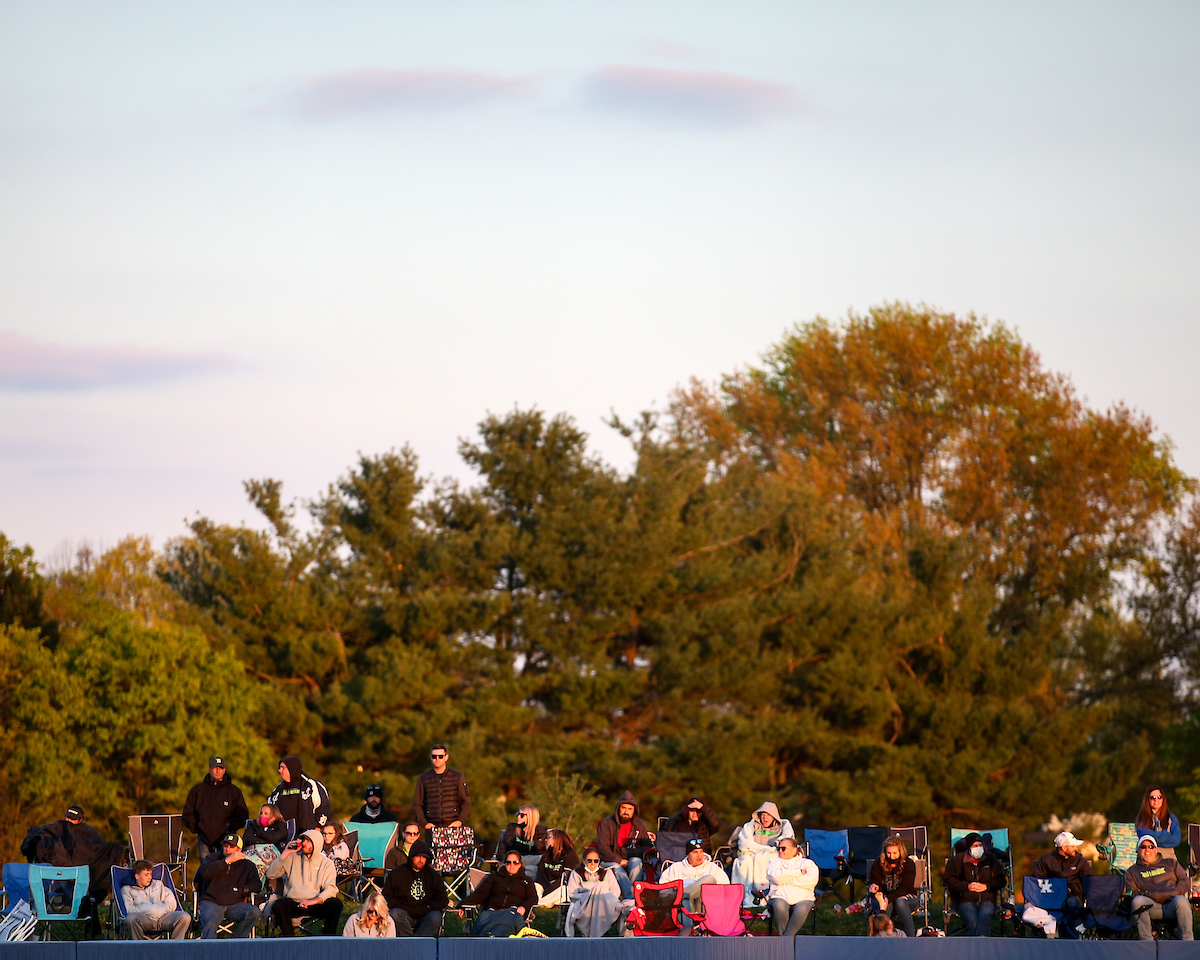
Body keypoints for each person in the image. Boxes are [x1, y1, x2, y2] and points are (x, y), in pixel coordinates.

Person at [20, 804, 125, 904]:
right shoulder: (60, 826)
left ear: (80, 820)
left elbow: (97, 848)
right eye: (67, 817)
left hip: (81, 871)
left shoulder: (88, 832)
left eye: (72, 819)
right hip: (62, 870)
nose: (68, 821)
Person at [265, 827, 343, 936]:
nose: (304, 843)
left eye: (307, 840)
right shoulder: (291, 858)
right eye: (303, 840)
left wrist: (314, 901)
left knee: (336, 904)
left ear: (316, 844)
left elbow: (331, 888)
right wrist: (285, 853)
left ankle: (327, 939)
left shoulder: (326, 863)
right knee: (279, 905)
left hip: (315, 903)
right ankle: (289, 939)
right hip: (294, 903)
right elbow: (270, 875)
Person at [1024, 830, 1093, 938]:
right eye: (1073, 846)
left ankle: (1073, 938)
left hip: (1072, 895)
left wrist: (1073, 889)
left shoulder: (1080, 861)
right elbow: (1036, 881)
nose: (1076, 848)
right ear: (1064, 848)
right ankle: (1049, 935)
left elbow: (1090, 880)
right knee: (1035, 908)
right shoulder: (1046, 860)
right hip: (1050, 897)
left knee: (1072, 903)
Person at [1126, 835, 1193, 941]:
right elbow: (1132, 893)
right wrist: (1151, 895)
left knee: (1182, 900)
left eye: (1151, 847)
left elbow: (1184, 881)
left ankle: (1188, 943)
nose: (1147, 850)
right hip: (1151, 907)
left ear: (1156, 849)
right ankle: (1147, 944)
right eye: (1143, 847)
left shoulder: (1171, 863)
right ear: (1138, 851)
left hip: (1172, 904)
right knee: (1137, 901)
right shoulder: (1132, 872)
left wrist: (1176, 892)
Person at [196, 833, 263, 939]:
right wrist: (226, 861)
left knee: (254, 912)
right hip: (212, 902)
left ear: (239, 850)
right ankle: (209, 951)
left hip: (235, 904)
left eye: (231, 846)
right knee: (210, 921)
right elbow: (204, 873)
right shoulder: (212, 859)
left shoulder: (247, 865)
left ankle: (236, 943)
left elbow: (257, 885)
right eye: (225, 845)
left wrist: (241, 890)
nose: (227, 849)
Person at [182, 756, 250, 860]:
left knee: (225, 868)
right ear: (209, 770)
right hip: (204, 839)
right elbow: (188, 812)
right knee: (206, 870)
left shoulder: (233, 791)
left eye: (220, 768)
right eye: (215, 768)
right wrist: (197, 827)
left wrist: (230, 829)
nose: (217, 770)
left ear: (224, 770)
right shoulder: (198, 790)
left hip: (226, 841)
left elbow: (242, 814)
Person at [730, 801, 795, 907]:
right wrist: (764, 849)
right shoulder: (752, 825)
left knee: (767, 858)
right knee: (746, 861)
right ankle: (746, 896)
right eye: (762, 815)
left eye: (767, 815)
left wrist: (767, 850)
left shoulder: (784, 825)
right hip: (753, 853)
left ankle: (765, 895)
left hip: (772, 853)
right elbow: (744, 842)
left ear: (774, 816)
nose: (764, 818)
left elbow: (786, 841)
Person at [457, 852, 537, 937]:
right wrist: (463, 904)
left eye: (515, 862)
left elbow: (533, 898)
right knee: (479, 925)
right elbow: (479, 894)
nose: (512, 865)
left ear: (520, 864)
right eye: (508, 862)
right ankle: (481, 941)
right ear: (504, 864)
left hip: (512, 911)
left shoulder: (526, 880)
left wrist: (523, 907)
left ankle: (491, 937)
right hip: (491, 910)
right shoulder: (494, 878)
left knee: (503, 924)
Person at [943, 831, 1005, 937]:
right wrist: (967, 886)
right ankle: (982, 943)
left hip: (987, 898)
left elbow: (1001, 880)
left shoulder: (990, 859)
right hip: (964, 898)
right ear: (969, 847)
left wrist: (986, 886)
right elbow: (948, 880)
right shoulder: (958, 860)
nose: (979, 848)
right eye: (975, 845)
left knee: (984, 918)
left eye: (980, 845)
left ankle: (977, 945)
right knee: (973, 921)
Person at [596, 790, 655, 899]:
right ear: (618, 808)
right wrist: (619, 860)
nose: (626, 811)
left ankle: (631, 895)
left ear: (634, 811)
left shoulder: (640, 825)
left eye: (630, 809)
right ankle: (632, 898)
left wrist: (629, 854)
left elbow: (647, 846)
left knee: (636, 862)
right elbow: (603, 848)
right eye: (623, 808)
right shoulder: (607, 823)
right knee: (617, 867)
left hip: (631, 860)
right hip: (610, 861)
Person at [382, 839, 447, 937]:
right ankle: (411, 942)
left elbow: (442, 899)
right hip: (403, 913)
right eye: (418, 856)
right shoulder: (397, 873)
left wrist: (426, 907)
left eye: (424, 857)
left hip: (426, 914)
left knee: (436, 917)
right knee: (394, 914)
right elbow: (386, 896)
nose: (421, 860)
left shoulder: (433, 875)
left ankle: (417, 942)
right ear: (411, 856)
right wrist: (405, 907)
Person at [120, 859, 191, 940]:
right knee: (131, 918)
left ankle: (175, 946)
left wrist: (160, 910)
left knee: (185, 917)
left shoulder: (158, 885)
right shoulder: (127, 889)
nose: (149, 877)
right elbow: (129, 910)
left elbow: (171, 902)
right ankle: (139, 947)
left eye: (150, 874)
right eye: (146, 875)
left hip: (163, 917)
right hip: (144, 919)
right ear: (137, 876)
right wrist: (151, 909)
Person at [660, 837, 730, 920]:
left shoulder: (713, 868)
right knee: (685, 901)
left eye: (701, 852)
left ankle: (681, 895)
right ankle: (691, 930)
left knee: (709, 878)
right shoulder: (676, 868)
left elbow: (725, 889)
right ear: (687, 854)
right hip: (683, 907)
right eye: (695, 852)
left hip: (706, 906)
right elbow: (663, 889)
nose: (699, 855)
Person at [564, 847, 625, 938]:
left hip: (606, 903)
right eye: (589, 861)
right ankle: (624, 909)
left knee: (599, 891)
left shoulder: (607, 873)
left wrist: (603, 897)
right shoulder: (576, 874)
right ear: (584, 861)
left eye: (595, 861)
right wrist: (590, 896)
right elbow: (571, 893)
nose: (593, 864)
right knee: (597, 889)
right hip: (585, 904)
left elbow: (616, 891)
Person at [765, 836, 818, 937]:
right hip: (779, 896)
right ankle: (787, 940)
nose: (780, 851)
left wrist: (784, 879)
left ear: (794, 850)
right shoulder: (773, 862)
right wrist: (798, 872)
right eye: (778, 848)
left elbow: (811, 881)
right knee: (779, 905)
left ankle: (786, 939)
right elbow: (775, 878)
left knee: (802, 908)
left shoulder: (807, 863)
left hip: (804, 898)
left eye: (783, 848)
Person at [868, 835, 919, 938]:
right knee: (887, 903)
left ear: (901, 851)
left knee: (899, 902)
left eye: (894, 853)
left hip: (906, 896)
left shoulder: (908, 864)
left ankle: (911, 937)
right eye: (888, 853)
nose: (891, 857)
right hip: (885, 897)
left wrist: (888, 898)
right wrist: (875, 887)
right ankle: (883, 937)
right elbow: (875, 881)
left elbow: (905, 888)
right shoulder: (878, 864)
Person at [267, 756, 332, 833]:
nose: (279, 770)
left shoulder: (310, 785)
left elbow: (324, 807)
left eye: (283, 767)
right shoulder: (278, 790)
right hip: (283, 836)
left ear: (291, 768)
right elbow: (270, 811)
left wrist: (318, 827)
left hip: (307, 835)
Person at [413, 744, 471, 829]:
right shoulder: (423, 779)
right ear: (430, 757)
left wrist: (460, 820)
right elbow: (416, 804)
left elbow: (466, 802)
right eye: (434, 756)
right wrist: (424, 823)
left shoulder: (457, 777)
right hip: (432, 828)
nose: (437, 759)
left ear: (446, 757)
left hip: (453, 827)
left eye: (440, 756)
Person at [497, 805, 548, 878]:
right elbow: (502, 851)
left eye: (521, 815)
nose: (518, 817)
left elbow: (543, 855)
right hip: (512, 862)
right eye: (518, 814)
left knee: (533, 867)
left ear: (531, 817)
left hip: (532, 863)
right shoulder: (512, 829)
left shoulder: (541, 833)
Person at [243, 803, 289, 879]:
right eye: (261, 813)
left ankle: (255, 886)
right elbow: (247, 839)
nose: (262, 815)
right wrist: (266, 839)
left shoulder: (280, 825)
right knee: (243, 861)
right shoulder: (253, 825)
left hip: (271, 852)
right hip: (252, 850)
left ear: (273, 816)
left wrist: (259, 833)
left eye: (266, 813)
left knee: (255, 863)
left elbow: (276, 837)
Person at [535, 829, 580, 906]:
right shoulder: (546, 855)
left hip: (559, 886)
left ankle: (540, 903)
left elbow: (567, 878)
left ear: (557, 839)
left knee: (564, 891)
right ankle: (545, 902)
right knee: (536, 886)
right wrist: (545, 888)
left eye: (548, 837)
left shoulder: (569, 855)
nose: (545, 840)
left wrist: (550, 889)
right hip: (547, 886)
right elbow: (541, 875)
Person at [1135, 786, 1181, 859]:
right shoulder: (1142, 818)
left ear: (1163, 799)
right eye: (1152, 798)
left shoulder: (1171, 818)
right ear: (1148, 800)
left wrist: (1155, 839)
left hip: (1168, 854)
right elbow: (1145, 837)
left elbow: (1176, 840)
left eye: (1159, 797)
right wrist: (1166, 834)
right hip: (1148, 854)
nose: (1156, 800)